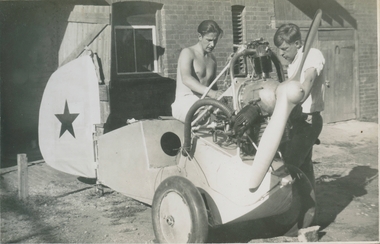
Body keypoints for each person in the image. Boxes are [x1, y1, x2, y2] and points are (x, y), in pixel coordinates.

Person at [274, 23, 326, 189]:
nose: (281, 54)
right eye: (279, 49)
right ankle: (307, 211)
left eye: (284, 48)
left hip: (308, 121)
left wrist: (297, 101)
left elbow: (308, 80)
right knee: (304, 166)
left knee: (290, 165)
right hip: (297, 121)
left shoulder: (311, 54)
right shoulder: (293, 64)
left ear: (297, 44)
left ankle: (292, 208)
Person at [171, 20, 224, 122]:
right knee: (206, 116)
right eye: (209, 40)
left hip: (204, 103)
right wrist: (211, 93)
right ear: (199, 36)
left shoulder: (212, 59)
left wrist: (220, 95)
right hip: (185, 103)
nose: (212, 44)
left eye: (215, 40)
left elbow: (213, 87)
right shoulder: (187, 52)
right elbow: (186, 79)